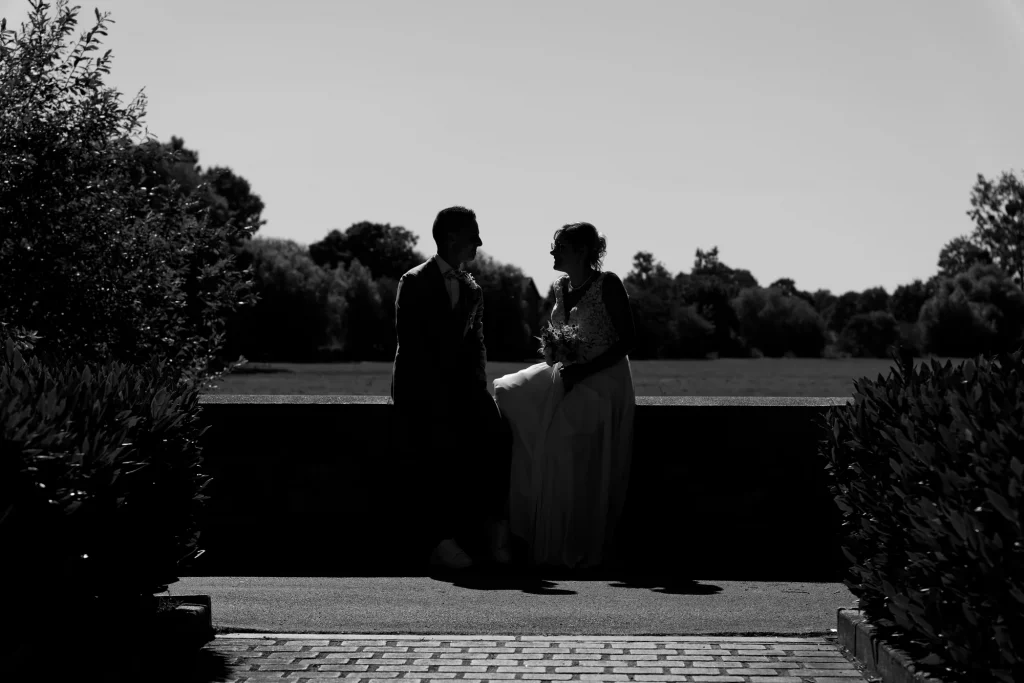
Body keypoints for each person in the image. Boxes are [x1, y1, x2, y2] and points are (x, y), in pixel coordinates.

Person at [493, 222, 637, 571]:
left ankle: (570, 542)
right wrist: (556, 353)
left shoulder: (609, 283)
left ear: (582, 250)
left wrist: (586, 370)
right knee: (510, 392)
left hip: (603, 377)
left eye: (559, 246)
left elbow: (628, 340)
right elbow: (559, 333)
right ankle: (526, 522)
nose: (552, 252)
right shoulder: (559, 286)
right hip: (569, 370)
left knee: (561, 435)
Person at [390, 206, 513, 572]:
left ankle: (496, 528)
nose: (479, 241)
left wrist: (477, 387)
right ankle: (441, 543)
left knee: (498, 434)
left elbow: (476, 342)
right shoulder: (413, 281)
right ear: (453, 237)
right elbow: (414, 344)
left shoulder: (471, 287)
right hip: (423, 386)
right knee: (438, 452)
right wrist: (447, 389)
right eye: (474, 233)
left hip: (462, 385)